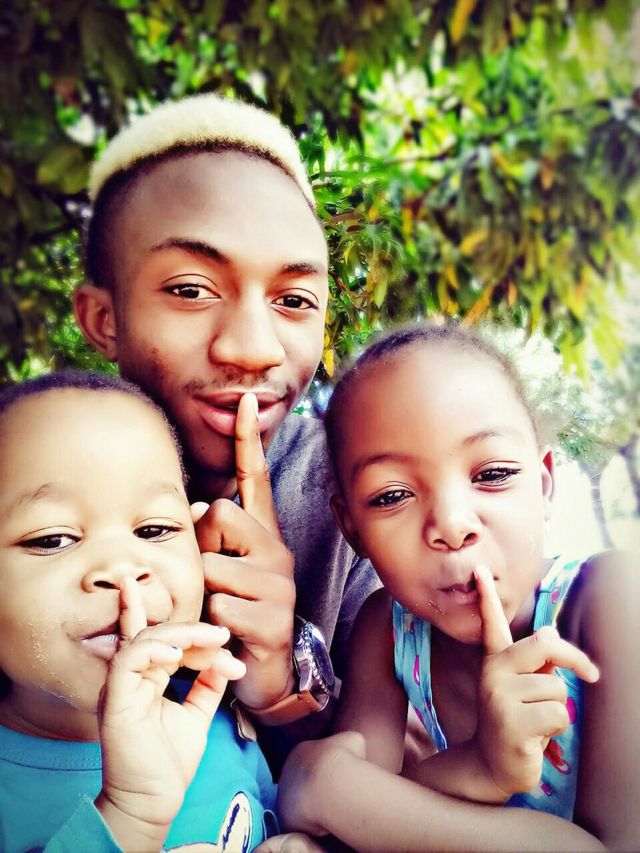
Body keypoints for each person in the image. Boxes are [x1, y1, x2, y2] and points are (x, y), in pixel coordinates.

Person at [73, 94, 379, 765]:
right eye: (191, 289)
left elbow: (390, 766)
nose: (254, 348)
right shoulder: (24, 475)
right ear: (103, 319)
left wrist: (280, 673)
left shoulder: (359, 493)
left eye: (293, 300)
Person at [271, 323, 638, 851]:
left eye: (492, 474)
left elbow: (357, 804)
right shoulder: (389, 630)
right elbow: (354, 831)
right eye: (391, 495)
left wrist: (325, 786)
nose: (451, 524)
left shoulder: (610, 599)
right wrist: (479, 768)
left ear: (544, 484)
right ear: (352, 530)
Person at [0, 370, 278, 852]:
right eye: (52, 539)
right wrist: (131, 812)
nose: (122, 568)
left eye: (154, 530)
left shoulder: (216, 719)